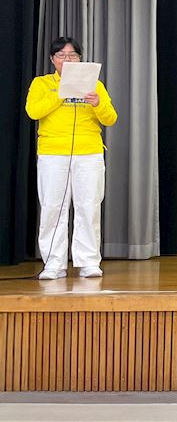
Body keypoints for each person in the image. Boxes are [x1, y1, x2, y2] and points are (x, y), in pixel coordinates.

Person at [25, 36, 118, 279]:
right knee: (53, 208)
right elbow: (33, 111)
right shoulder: (42, 83)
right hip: (53, 153)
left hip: (89, 153)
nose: (67, 59)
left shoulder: (95, 85)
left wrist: (97, 103)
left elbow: (110, 118)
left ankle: (89, 262)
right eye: (61, 55)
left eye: (72, 55)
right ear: (52, 59)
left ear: (80, 58)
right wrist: (60, 93)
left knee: (89, 207)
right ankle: (53, 264)